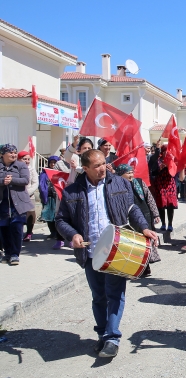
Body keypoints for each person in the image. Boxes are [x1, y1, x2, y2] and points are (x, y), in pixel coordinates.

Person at [55, 150, 158, 358]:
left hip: (117, 249)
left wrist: (144, 228)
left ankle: (112, 337)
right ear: (85, 169)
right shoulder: (72, 192)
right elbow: (61, 220)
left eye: (103, 163)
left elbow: (132, 210)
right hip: (90, 252)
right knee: (98, 296)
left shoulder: (120, 184)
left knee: (115, 294)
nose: (102, 168)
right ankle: (102, 333)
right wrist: (72, 235)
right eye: (96, 166)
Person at [115, 164, 160, 278]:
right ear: (120, 175)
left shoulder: (139, 183)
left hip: (144, 216)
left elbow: (149, 198)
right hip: (128, 219)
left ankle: (145, 266)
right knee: (134, 244)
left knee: (144, 243)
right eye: (128, 173)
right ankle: (138, 267)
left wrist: (155, 214)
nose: (131, 175)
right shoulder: (117, 187)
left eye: (131, 172)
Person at [0, 144, 34, 265]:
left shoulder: (21, 165)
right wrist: (3, 181)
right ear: (2, 154)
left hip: (18, 204)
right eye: (10, 153)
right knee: (4, 229)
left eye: (15, 152)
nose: (14, 155)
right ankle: (7, 253)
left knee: (16, 228)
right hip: (2, 204)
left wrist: (12, 180)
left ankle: (15, 254)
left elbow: (25, 180)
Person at [149, 141, 178, 231]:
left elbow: (175, 172)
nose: (167, 152)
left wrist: (170, 166)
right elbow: (153, 172)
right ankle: (163, 224)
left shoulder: (173, 159)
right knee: (161, 205)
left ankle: (170, 224)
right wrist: (160, 168)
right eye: (165, 150)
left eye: (168, 151)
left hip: (170, 184)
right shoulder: (158, 160)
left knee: (170, 205)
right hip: (160, 183)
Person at [38, 156, 65, 249]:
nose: (53, 164)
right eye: (51, 163)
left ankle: (60, 234)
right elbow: (42, 185)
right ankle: (52, 232)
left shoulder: (61, 173)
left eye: (55, 162)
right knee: (49, 216)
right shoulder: (44, 173)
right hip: (49, 197)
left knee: (57, 216)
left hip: (58, 197)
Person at [18, 151, 38, 242]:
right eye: (24, 159)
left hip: (29, 195)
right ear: (19, 159)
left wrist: (28, 192)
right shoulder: (16, 168)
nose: (26, 161)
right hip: (17, 195)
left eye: (28, 159)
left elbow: (35, 183)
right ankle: (19, 233)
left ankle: (29, 233)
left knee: (30, 215)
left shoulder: (32, 169)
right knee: (19, 215)